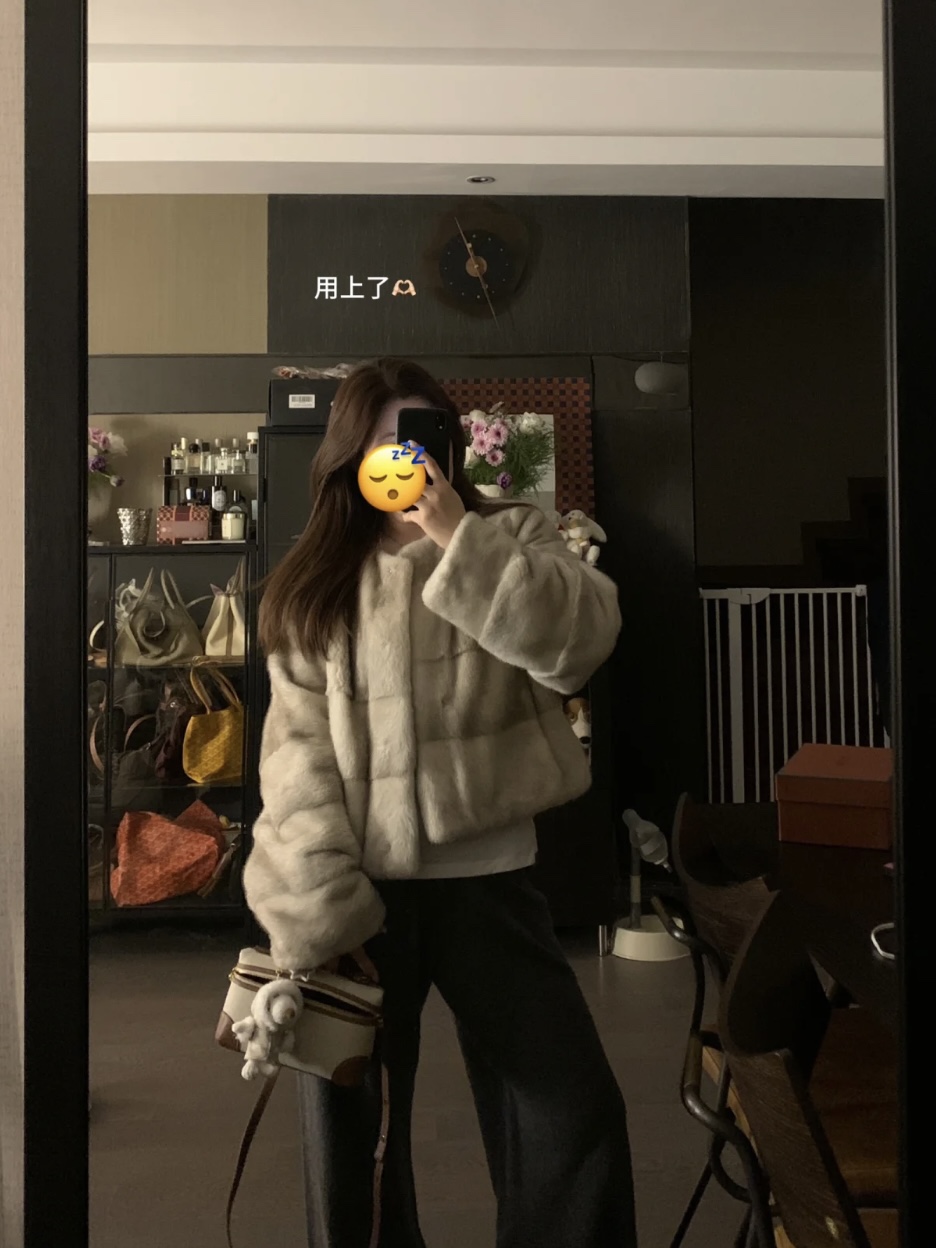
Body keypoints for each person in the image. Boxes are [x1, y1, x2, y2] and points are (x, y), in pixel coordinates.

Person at [243, 358, 637, 1248]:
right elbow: (295, 757)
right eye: (388, 441)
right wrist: (319, 908)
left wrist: (462, 538)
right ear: (352, 457)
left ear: (452, 449)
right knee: (353, 1137)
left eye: (425, 438)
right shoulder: (315, 580)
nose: (408, 458)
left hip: (490, 882)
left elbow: (580, 646)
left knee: (569, 1111)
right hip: (361, 899)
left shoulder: (513, 532)